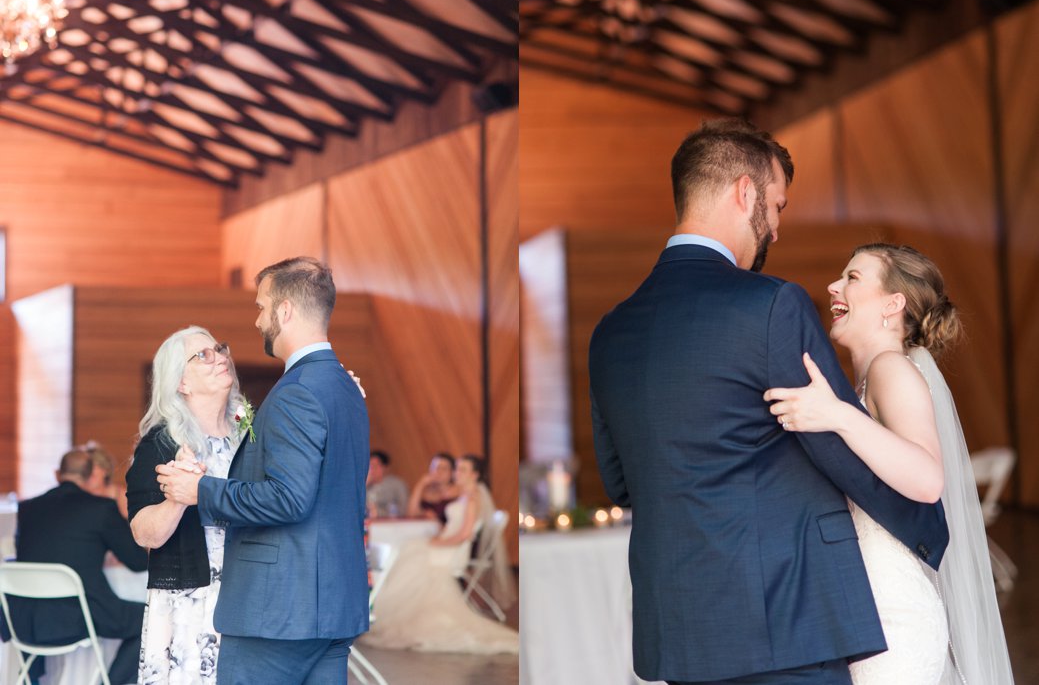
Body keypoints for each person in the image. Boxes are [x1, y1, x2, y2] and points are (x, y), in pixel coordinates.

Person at [589, 119, 949, 685]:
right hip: (785, 616)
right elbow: (834, 447)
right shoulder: (771, 304)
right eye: (777, 205)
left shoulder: (610, 331)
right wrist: (923, 533)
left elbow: (620, 481)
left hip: (679, 623)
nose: (776, 229)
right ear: (745, 192)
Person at [765, 243, 1014, 684]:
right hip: (869, 611)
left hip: (892, 619)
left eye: (853, 278)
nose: (833, 286)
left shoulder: (890, 369)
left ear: (893, 303)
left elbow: (926, 479)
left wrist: (838, 416)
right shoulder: (870, 378)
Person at [156, 257, 369, 685]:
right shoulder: (347, 389)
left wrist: (203, 490)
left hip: (279, 609)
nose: (257, 320)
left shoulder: (297, 393)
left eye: (261, 306)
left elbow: (290, 498)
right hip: (334, 604)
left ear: (285, 311)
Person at [125, 326, 246, 683]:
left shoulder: (249, 434)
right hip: (193, 600)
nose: (220, 358)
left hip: (250, 591)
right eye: (203, 356)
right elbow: (145, 535)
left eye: (220, 349)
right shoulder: (161, 443)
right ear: (181, 383)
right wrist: (177, 500)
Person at [13, 450, 148, 685]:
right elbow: (137, 562)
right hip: (80, 616)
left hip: (26, 620)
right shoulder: (101, 508)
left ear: (57, 475)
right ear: (89, 476)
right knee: (148, 620)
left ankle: (30, 680)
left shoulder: (27, 509)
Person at [362, 454, 518, 654]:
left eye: (463, 470)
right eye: (457, 469)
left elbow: (464, 534)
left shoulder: (471, 498)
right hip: (447, 544)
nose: (457, 474)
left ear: (475, 475)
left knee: (411, 552)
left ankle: (387, 611)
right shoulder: (465, 495)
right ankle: (387, 609)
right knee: (410, 549)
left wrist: (438, 541)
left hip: (453, 551)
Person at [407, 452, 460, 523]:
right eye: (435, 468)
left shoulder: (459, 491)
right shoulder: (426, 491)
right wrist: (421, 484)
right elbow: (411, 514)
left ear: (452, 472)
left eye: (444, 469)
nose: (439, 472)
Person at [83, 441, 130, 518]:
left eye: (93, 466)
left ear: (105, 470)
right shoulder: (79, 495)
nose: (88, 471)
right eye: (85, 467)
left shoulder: (120, 495)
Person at [366, 450, 409, 518]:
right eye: (369, 466)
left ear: (385, 467)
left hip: (389, 524)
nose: (372, 470)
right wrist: (365, 485)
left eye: (375, 466)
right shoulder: (365, 485)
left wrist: (379, 512)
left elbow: (404, 509)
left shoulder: (397, 485)